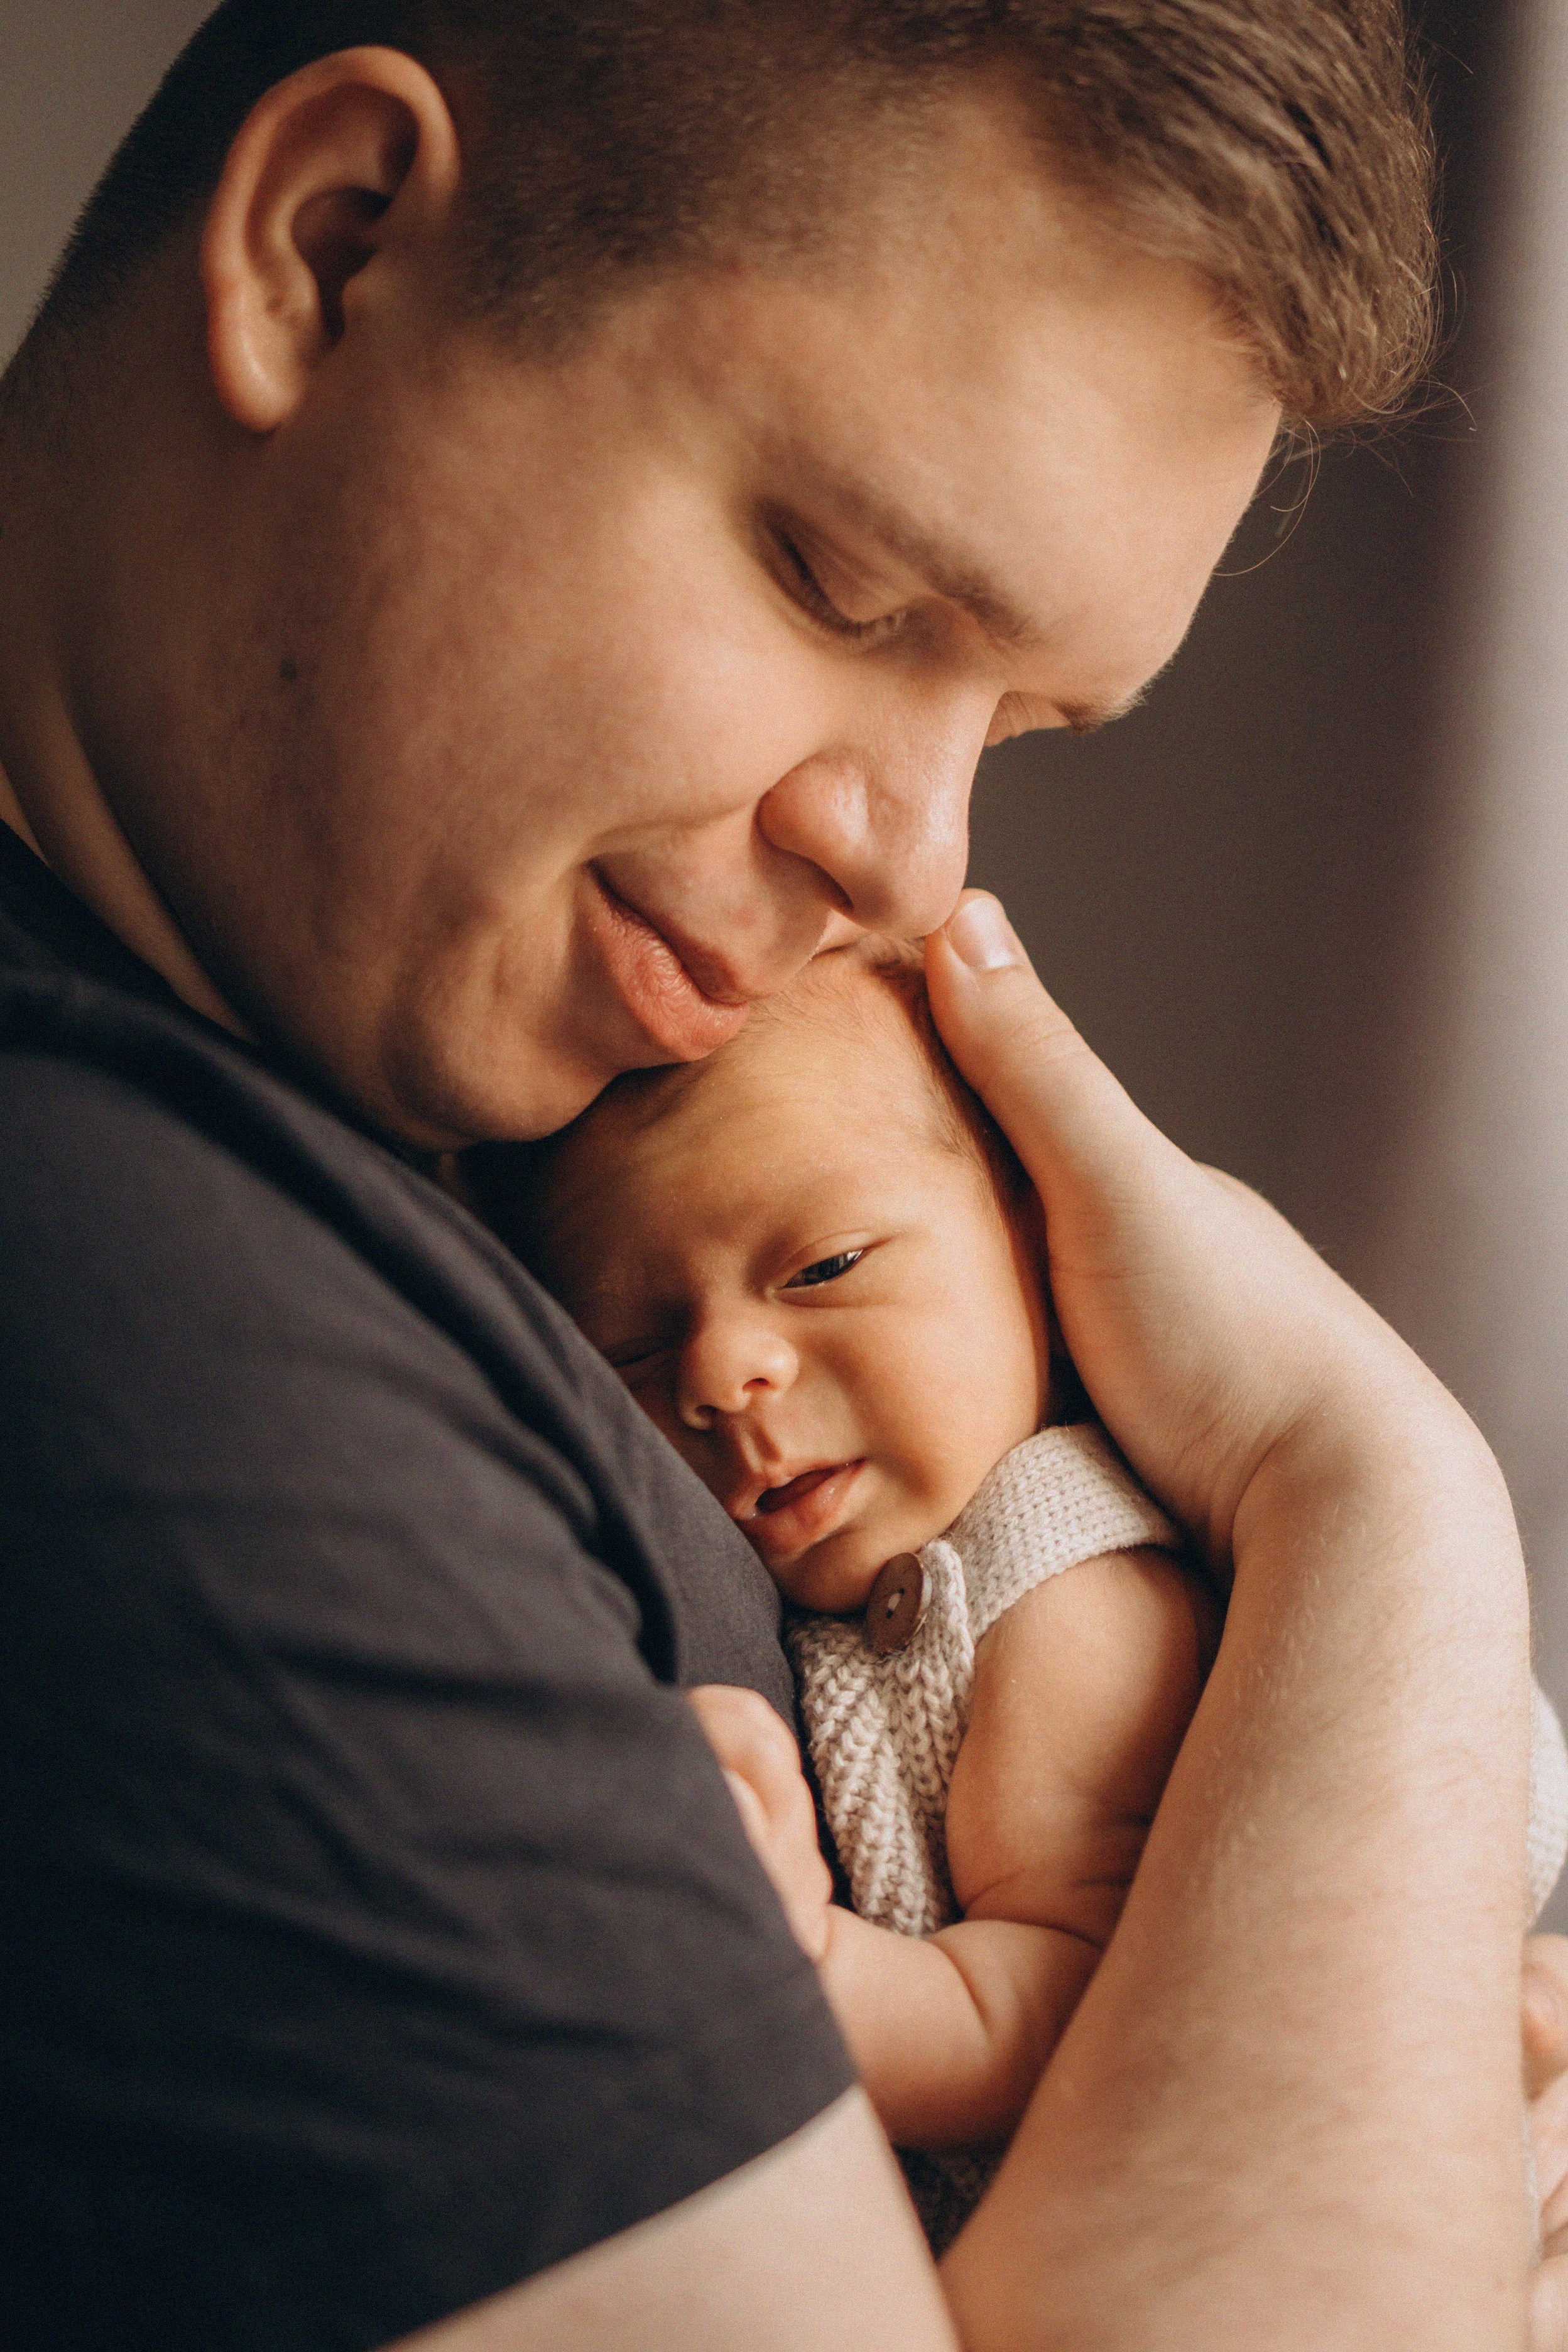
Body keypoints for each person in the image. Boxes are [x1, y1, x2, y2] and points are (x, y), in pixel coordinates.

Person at [2, 3, 1565, 2347]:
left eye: (1014, 724)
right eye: (842, 588)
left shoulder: (406, 1120)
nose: (909, 860)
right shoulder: (130, 1302)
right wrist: (1364, 1486)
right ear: (327, 250)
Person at [470, 936, 1568, 2256]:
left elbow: (1074, 2012)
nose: (722, 1370)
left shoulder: (1067, 1589)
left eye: (823, 1267)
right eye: (633, 1352)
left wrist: (800, 1964)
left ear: (1038, 1246)